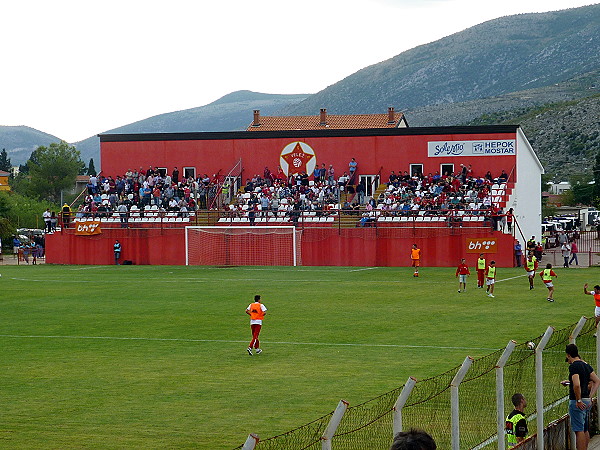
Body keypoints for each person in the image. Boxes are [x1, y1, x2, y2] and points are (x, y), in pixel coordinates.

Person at [561, 344, 600, 450]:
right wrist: (590, 396)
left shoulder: (574, 366)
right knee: (585, 428)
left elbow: (577, 384)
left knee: (579, 430)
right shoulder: (585, 365)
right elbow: (596, 381)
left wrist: (578, 399)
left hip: (577, 402)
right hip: (587, 400)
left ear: (569, 355)